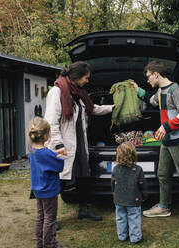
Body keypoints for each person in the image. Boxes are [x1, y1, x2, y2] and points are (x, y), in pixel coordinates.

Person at [130, 61, 179, 230]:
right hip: (167, 141)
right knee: (163, 174)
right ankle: (164, 206)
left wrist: (165, 126)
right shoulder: (160, 91)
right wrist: (137, 89)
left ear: (156, 74)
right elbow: (151, 100)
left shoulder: (176, 90)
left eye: (148, 76)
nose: (148, 80)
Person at [45, 61, 114, 221]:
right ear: (77, 77)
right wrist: (58, 144)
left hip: (79, 144)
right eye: (86, 78)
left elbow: (93, 109)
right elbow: (50, 122)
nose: (88, 81)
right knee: (59, 182)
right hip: (62, 146)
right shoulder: (57, 91)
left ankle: (84, 209)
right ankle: (50, 219)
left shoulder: (78, 93)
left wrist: (112, 108)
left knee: (84, 177)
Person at [28, 117, 64, 248]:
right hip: (49, 191)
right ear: (45, 136)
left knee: (40, 216)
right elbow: (59, 166)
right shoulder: (47, 153)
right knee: (50, 218)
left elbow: (46, 159)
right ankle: (49, 244)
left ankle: (40, 243)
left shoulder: (32, 151)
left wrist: (55, 154)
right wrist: (60, 156)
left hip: (38, 190)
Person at [111, 141, 147, 244]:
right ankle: (135, 238)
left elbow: (113, 184)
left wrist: (114, 194)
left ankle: (122, 236)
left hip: (119, 199)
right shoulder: (138, 169)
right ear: (133, 154)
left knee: (120, 217)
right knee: (134, 217)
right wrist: (144, 195)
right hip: (133, 199)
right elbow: (142, 184)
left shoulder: (115, 169)